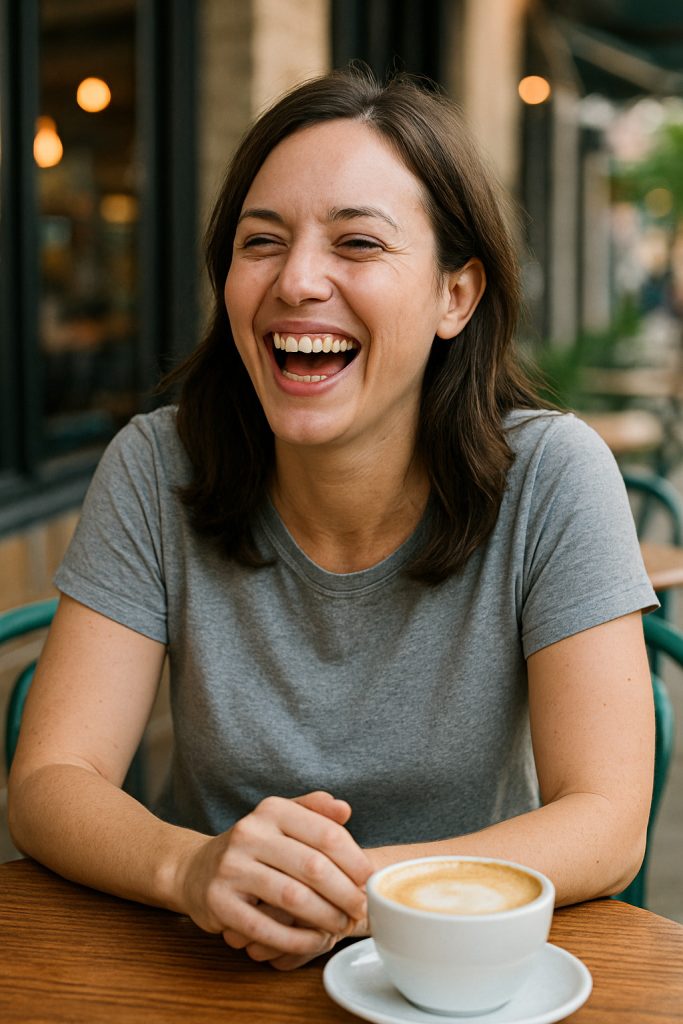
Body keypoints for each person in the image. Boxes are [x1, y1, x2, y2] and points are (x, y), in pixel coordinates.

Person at [8, 68, 656, 971]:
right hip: (206, 966)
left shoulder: (549, 475)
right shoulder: (158, 465)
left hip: (458, 973)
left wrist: (352, 894)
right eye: (259, 241)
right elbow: (48, 781)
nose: (297, 280)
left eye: (358, 243)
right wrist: (189, 866)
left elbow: (609, 819)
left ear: (454, 297)